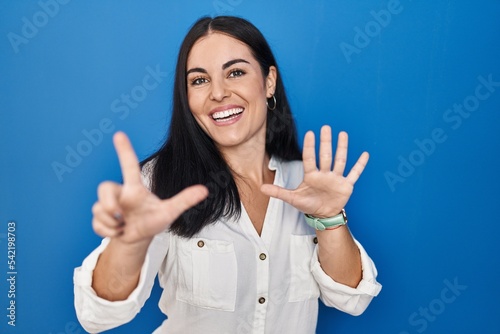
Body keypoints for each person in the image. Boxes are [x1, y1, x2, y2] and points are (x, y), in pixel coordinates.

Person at [73, 15, 382, 334]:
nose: (218, 93)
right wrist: (128, 243)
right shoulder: (159, 183)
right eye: (199, 80)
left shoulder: (305, 181)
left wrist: (329, 217)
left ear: (269, 81)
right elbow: (97, 315)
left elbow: (352, 299)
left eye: (235, 72)